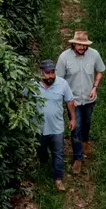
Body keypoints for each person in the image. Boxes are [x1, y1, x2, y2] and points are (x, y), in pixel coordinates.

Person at [57, 30, 105, 173]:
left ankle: (85, 142)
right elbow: (59, 80)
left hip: (89, 99)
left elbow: (100, 70)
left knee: (86, 123)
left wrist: (95, 87)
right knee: (75, 127)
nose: (83, 48)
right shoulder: (64, 58)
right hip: (73, 101)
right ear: (73, 44)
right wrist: (67, 98)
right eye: (80, 45)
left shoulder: (94, 54)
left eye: (85, 45)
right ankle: (78, 157)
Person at [33, 59, 75, 192]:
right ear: (41, 72)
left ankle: (58, 178)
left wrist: (72, 118)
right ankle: (44, 161)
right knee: (41, 151)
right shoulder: (32, 85)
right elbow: (24, 99)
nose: (50, 76)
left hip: (57, 127)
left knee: (58, 153)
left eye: (52, 72)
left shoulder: (62, 84)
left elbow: (69, 101)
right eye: (47, 73)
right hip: (38, 127)